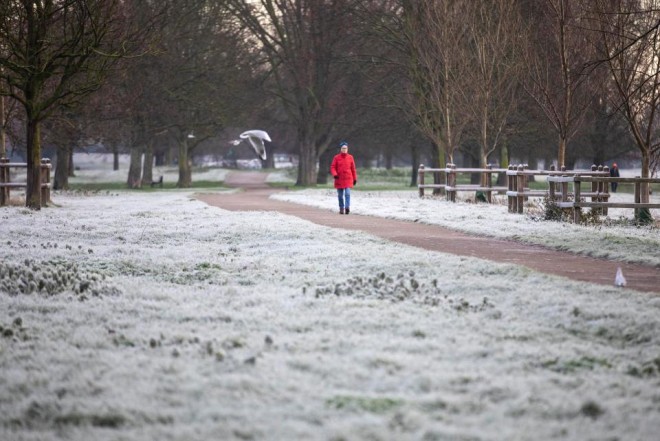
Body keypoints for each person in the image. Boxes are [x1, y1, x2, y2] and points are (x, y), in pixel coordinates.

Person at [330, 141, 357, 214]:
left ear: (347, 149)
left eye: (345, 148)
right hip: (339, 179)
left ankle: (347, 207)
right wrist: (335, 174)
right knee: (340, 195)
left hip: (348, 178)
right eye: (343, 148)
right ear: (340, 149)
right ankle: (341, 208)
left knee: (347, 193)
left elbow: (353, 169)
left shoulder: (350, 157)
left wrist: (355, 179)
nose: (344, 149)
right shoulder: (336, 157)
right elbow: (333, 167)